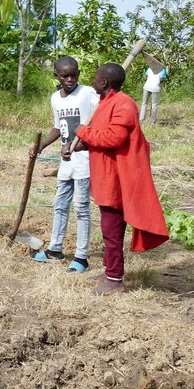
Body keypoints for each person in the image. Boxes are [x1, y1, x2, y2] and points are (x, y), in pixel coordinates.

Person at [71, 63, 169, 296]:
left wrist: (83, 132)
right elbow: (102, 137)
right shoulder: (106, 103)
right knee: (108, 229)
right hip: (105, 176)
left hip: (117, 179)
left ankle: (115, 280)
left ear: (104, 82)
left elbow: (113, 139)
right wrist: (82, 144)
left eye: (96, 78)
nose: (93, 81)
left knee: (112, 230)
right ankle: (109, 270)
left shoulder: (124, 103)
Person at [28, 56, 99, 272]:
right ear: (56, 76)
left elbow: (99, 116)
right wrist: (41, 145)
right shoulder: (55, 99)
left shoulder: (87, 94)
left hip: (84, 161)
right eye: (65, 76)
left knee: (81, 208)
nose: (70, 79)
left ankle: (81, 257)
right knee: (60, 204)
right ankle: (55, 250)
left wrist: (84, 142)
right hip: (66, 161)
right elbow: (59, 127)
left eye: (74, 75)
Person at [139, 56, 168, 125]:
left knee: (144, 103)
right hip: (155, 88)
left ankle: (141, 119)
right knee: (154, 104)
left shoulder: (149, 69)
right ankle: (153, 121)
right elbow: (161, 80)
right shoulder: (162, 70)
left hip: (146, 86)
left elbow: (146, 77)